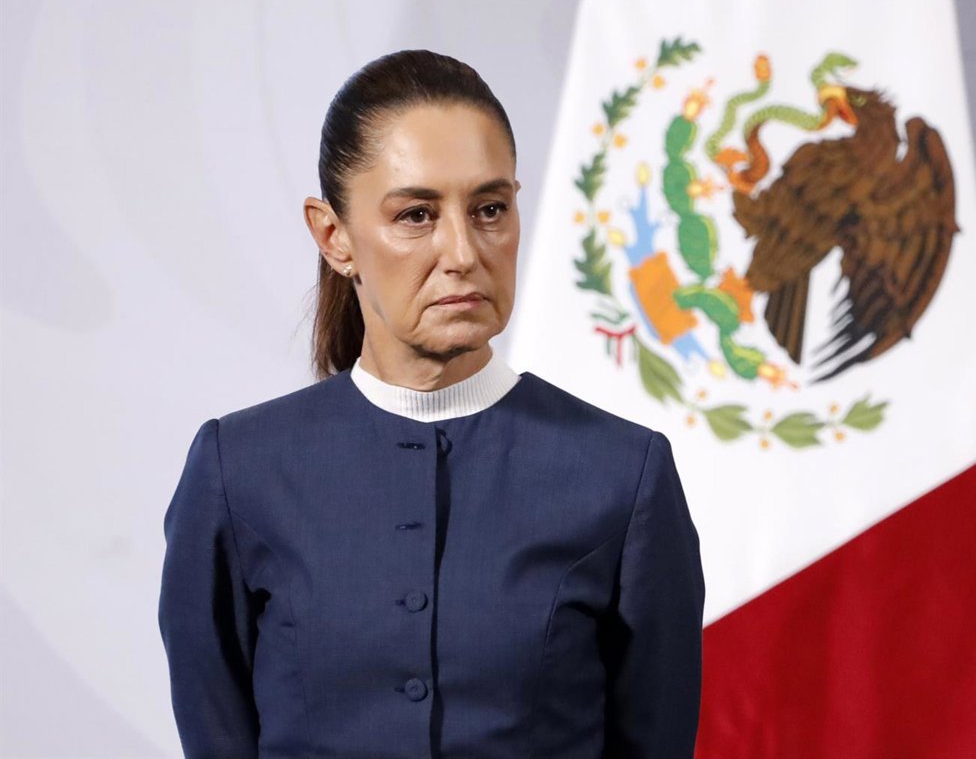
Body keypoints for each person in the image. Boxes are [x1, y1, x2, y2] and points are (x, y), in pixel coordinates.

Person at [157, 50, 705, 759]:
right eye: (416, 214)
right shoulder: (239, 471)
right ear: (333, 237)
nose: (463, 252)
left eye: (489, 209)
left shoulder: (623, 474)